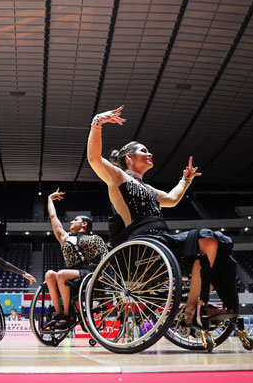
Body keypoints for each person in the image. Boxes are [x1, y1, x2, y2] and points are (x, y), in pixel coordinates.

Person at [86, 105, 239, 327]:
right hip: (141, 243)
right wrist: (97, 123)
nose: (150, 154)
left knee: (212, 243)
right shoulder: (118, 177)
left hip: (163, 240)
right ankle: (192, 310)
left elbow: (173, 199)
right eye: (144, 151)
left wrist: (185, 180)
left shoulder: (147, 188)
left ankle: (194, 307)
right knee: (205, 237)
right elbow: (93, 159)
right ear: (129, 157)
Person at [44, 188, 108, 330]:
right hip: (71, 272)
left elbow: (105, 255)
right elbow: (53, 218)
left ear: (84, 224)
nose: (71, 222)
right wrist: (49, 199)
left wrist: (102, 273)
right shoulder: (65, 238)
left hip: (89, 272)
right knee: (49, 274)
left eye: (75, 220)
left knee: (61, 274)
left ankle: (67, 315)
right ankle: (59, 314)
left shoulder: (94, 238)